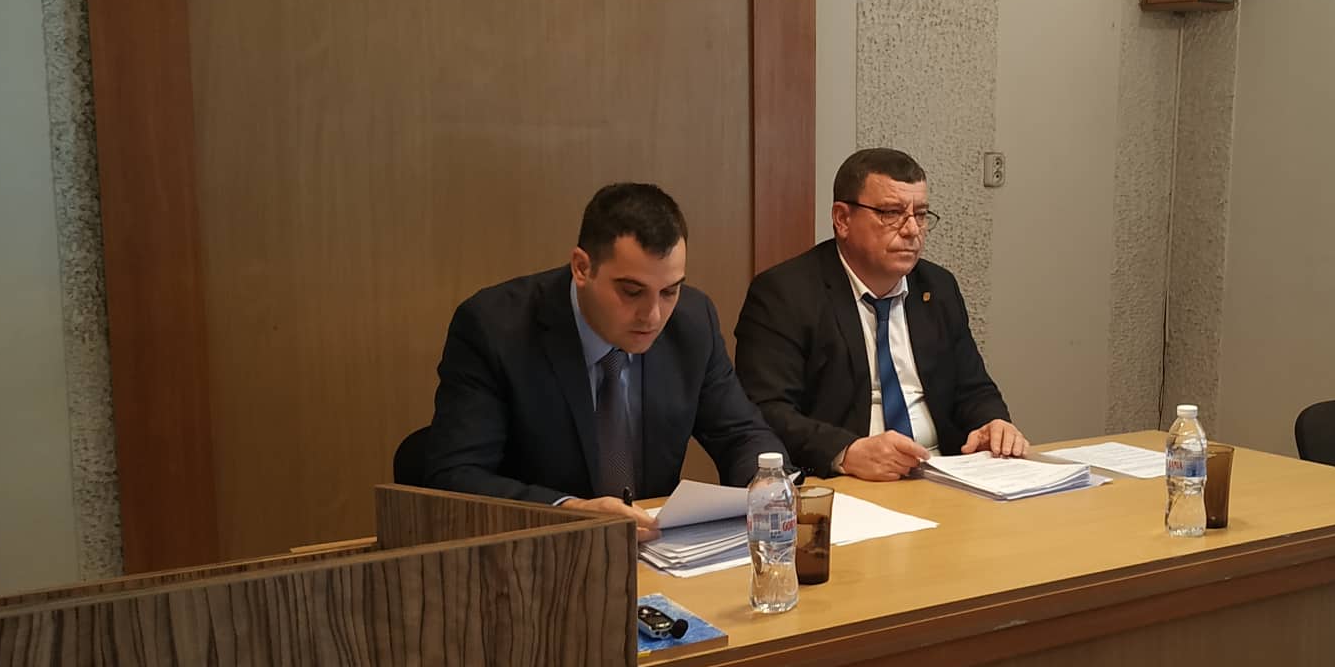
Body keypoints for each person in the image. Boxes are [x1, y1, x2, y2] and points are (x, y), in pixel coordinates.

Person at [425, 182, 783, 538]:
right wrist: (570, 510)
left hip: (655, 554)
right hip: (539, 553)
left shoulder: (692, 322)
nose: (653, 315)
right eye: (632, 291)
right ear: (582, 268)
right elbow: (455, 475)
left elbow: (742, 434)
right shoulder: (495, 328)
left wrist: (766, 487)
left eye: (669, 291)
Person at [734, 147, 1025, 481]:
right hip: (850, 481)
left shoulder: (938, 287)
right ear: (842, 219)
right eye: (891, 213)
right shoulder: (785, 293)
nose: (912, 230)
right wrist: (844, 452)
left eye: (920, 214)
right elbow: (766, 410)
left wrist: (993, 423)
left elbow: (973, 388)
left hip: (942, 473)